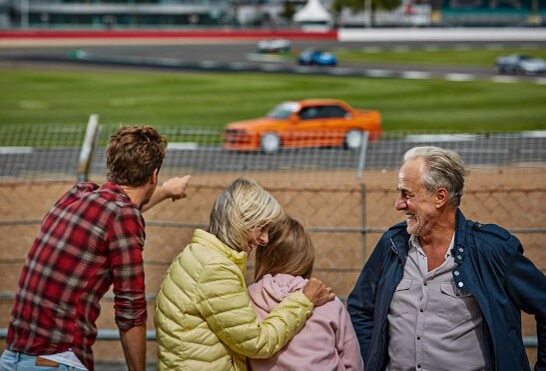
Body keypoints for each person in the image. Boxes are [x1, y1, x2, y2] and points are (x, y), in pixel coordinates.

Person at [0, 125, 191, 371]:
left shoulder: (78, 195)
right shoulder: (123, 216)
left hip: (13, 357)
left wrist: (165, 192)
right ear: (153, 175)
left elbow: (113, 211)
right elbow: (131, 312)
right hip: (57, 360)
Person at [348, 146, 546, 371]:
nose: (398, 204)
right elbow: (360, 308)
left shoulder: (492, 250)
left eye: (407, 194)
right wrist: (371, 361)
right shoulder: (392, 243)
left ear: (439, 197)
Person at [154, 177, 335, 370]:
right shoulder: (215, 269)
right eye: (261, 227)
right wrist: (303, 301)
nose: (264, 239)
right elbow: (257, 342)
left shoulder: (197, 257)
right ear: (241, 222)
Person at [248, 216, 364, 371]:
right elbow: (353, 362)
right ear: (306, 256)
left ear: (263, 256)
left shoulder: (247, 299)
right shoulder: (327, 299)